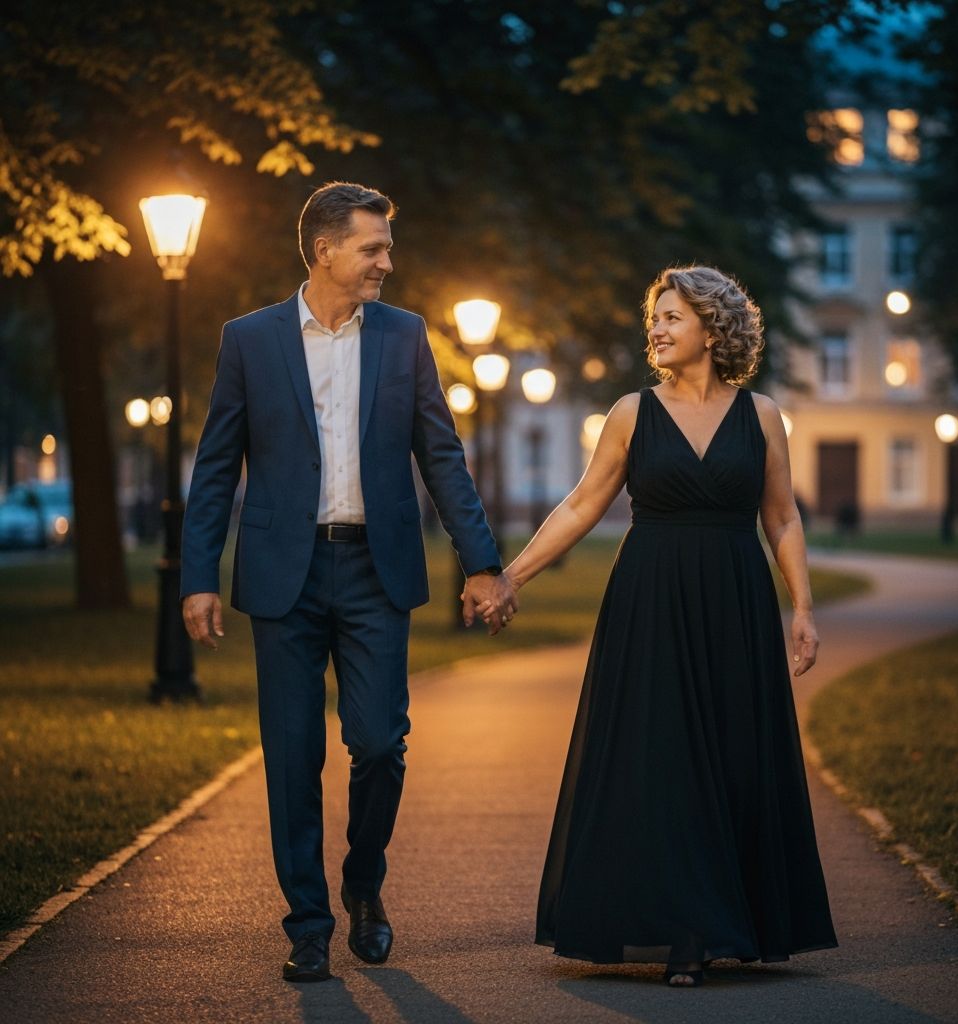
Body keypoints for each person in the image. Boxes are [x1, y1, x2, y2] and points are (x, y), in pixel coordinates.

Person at [180, 181, 517, 983]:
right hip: (281, 576)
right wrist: (198, 575)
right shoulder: (249, 339)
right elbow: (217, 464)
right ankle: (306, 923)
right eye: (373, 248)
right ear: (324, 248)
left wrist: (482, 562)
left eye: (387, 248)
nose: (386, 263)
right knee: (291, 755)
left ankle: (363, 883)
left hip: (375, 568)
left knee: (377, 741)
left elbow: (441, 454)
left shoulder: (404, 337)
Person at [483, 265, 837, 986]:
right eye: (656, 318)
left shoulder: (762, 415)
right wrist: (511, 576)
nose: (657, 329)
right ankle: (684, 930)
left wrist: (802, 607)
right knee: (663, 759)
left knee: (735, 753)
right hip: (650, 601)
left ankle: (728, 921)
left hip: (737, 600)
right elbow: (582, 505)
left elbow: (782, 517)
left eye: (672, 317)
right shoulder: (630, 413)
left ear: (713, 327)